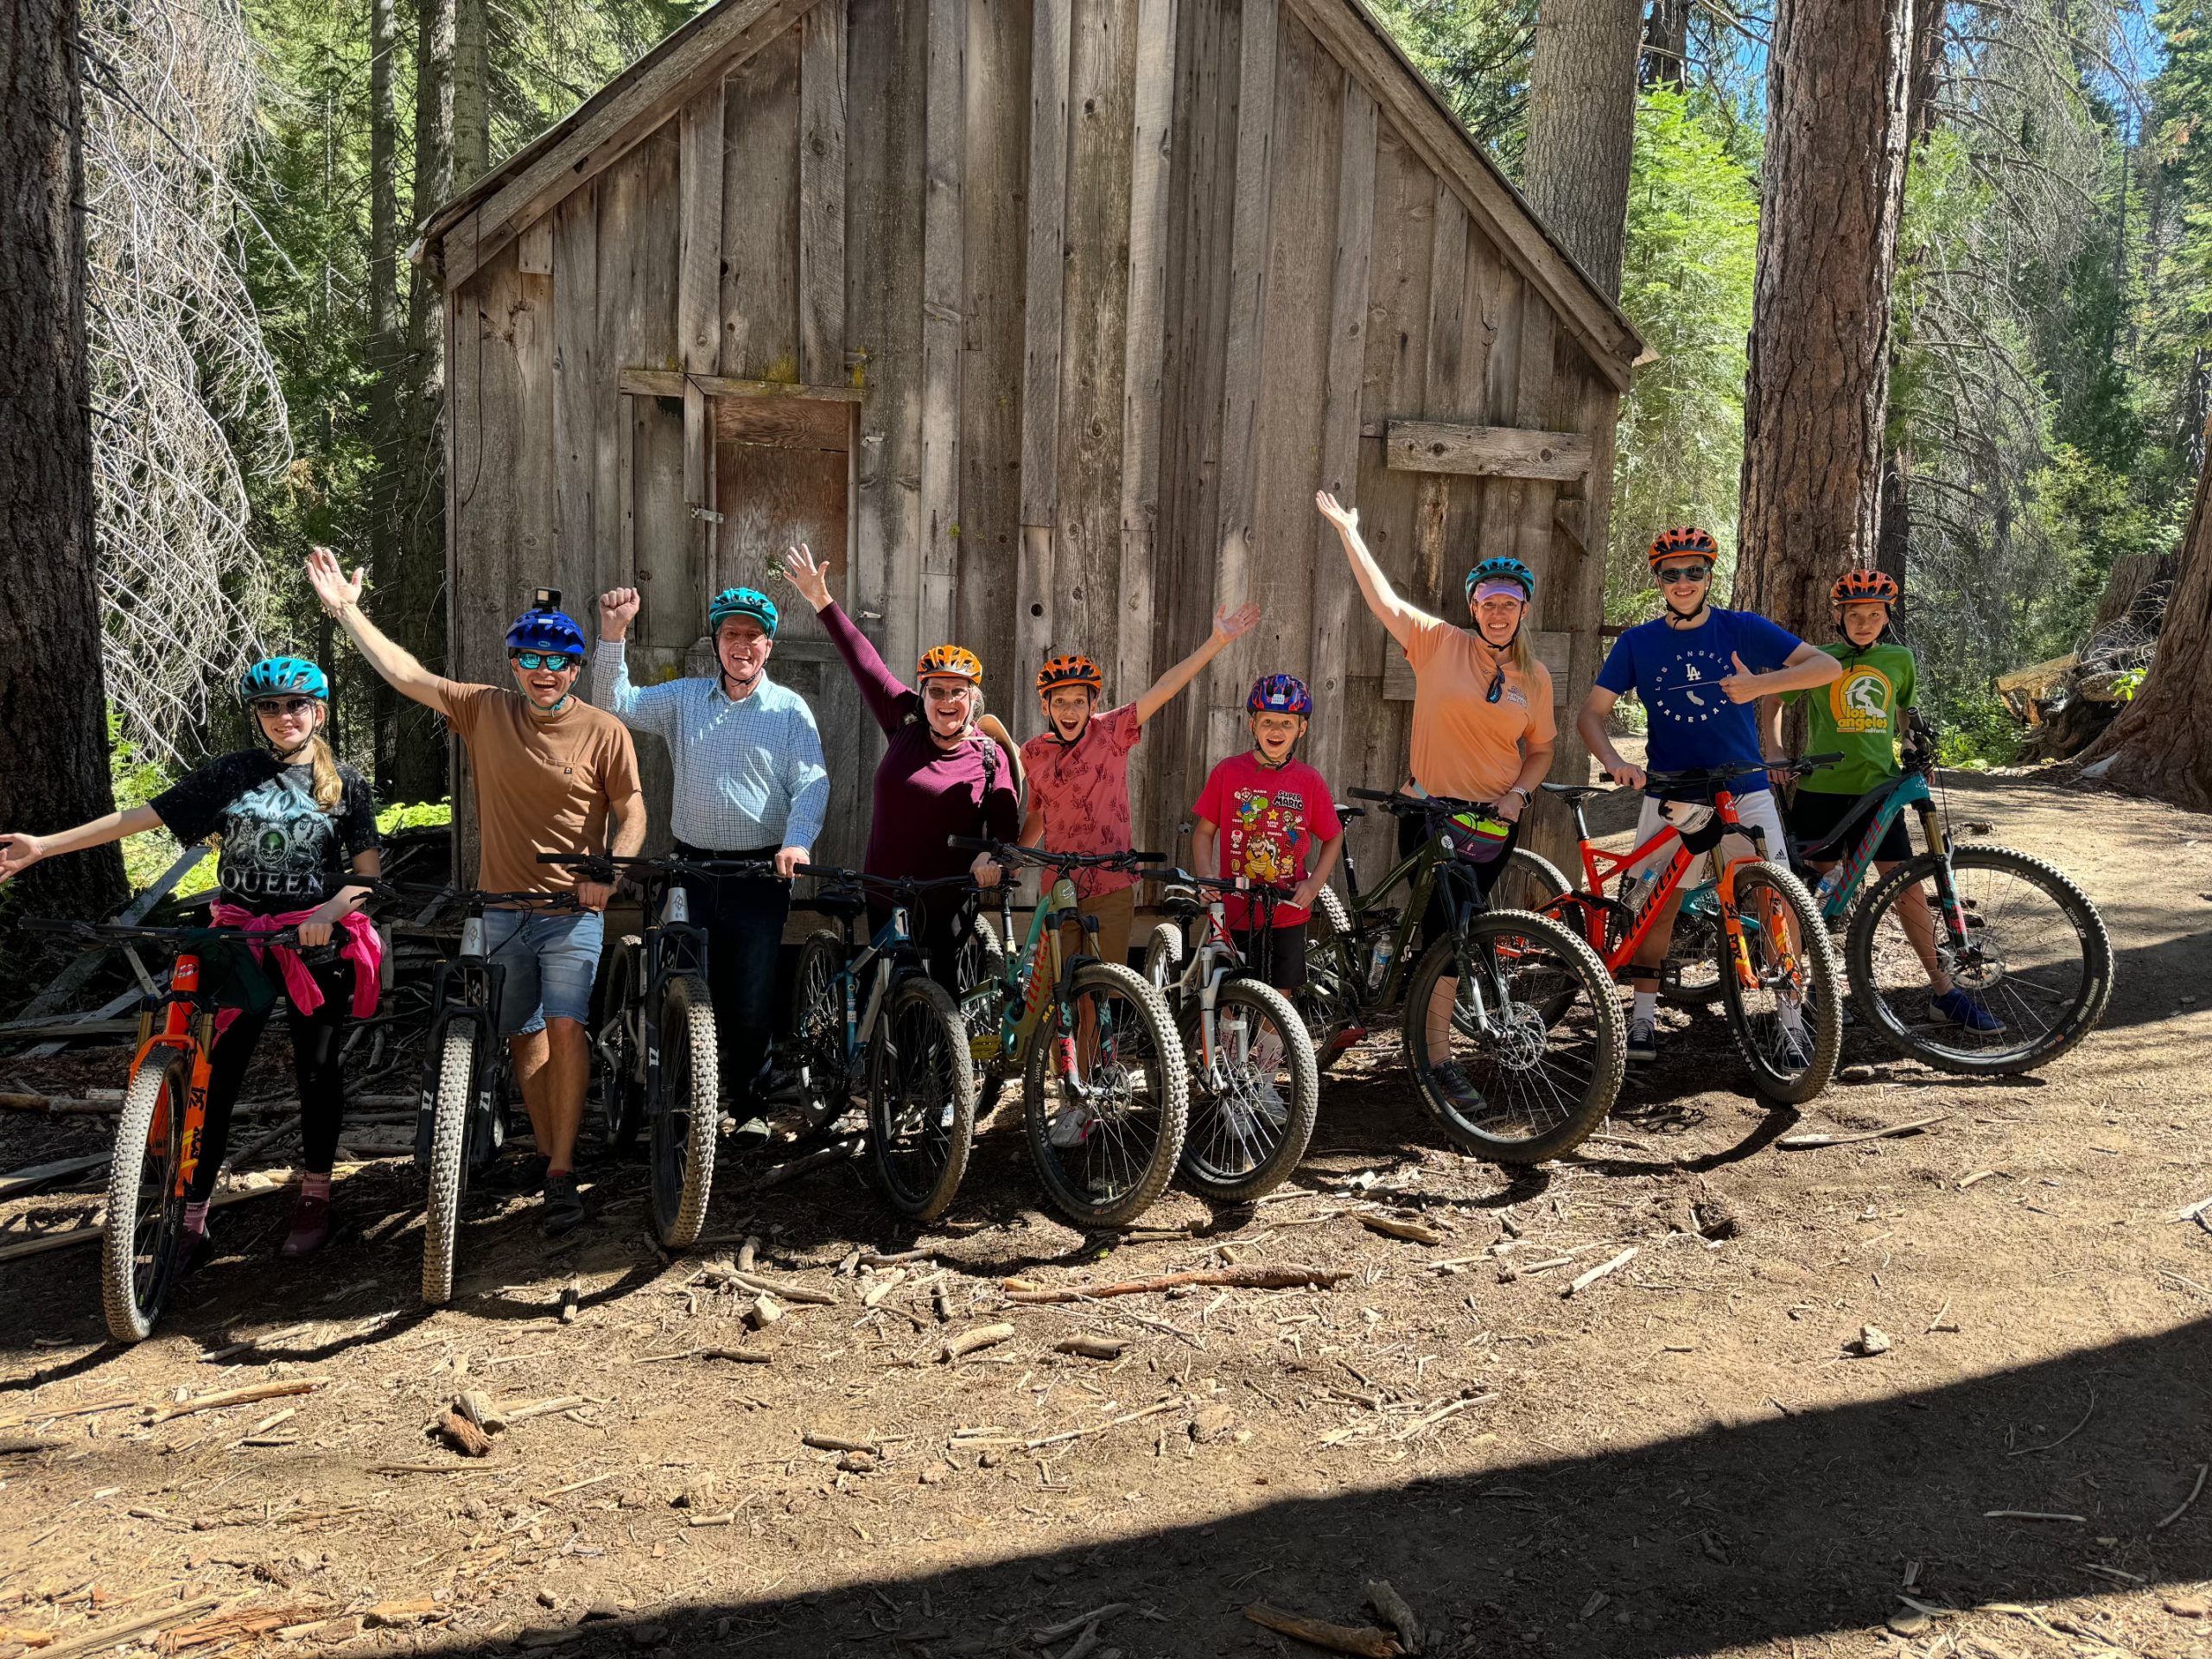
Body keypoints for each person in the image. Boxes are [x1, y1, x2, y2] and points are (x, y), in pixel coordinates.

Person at [305, 549, 645, 1237]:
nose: (544, 672)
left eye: (559, 663)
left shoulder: (604, 730)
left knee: (566, 1026)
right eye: (531, 659)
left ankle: (562, 1172)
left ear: (576, 670)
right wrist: (346, 612)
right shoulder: (485, 710)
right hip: (501, 910)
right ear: (513, 663)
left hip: (570, 912)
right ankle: (548, 1151)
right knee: (522, 1037)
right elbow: (407, 674)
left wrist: (611, 870)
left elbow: (632, 809)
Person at [0, 657, 383, 1267]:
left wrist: (330, 913)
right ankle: (193, 1214)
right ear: (256, 716)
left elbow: (367, 879)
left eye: (296, 706)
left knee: (317, 1070)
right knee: (214, 1076)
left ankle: (314, 1195)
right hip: (236, 943)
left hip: (316, 946)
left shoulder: (346, 783)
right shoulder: (231, 774)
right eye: (270, 707)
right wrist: (45, 845)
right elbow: (140, 818)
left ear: (319, 711)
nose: (284, 717)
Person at [1315, 489, 1558, 1095]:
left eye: (1509, 603)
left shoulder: (1535, 677)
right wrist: (1349, 532)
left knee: (1457, 926)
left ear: (1523, 611)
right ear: (1473, 608)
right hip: (1430, 812)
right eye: (1488, 602)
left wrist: (1521, 794)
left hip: (1495, 824)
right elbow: (1383, 600)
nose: (1498, 612)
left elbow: (1543, 750)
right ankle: (1437, 1062)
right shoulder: (1438, 642)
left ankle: (1426, 1030)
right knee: (1446, 933)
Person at [1574, 527, 1843, 1065]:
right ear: (1659, 580)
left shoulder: (1740, 628)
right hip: (1672, 791)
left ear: (1709, 575)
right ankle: (1643, 1020)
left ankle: (1791, 1025)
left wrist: (1758, 687)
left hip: (1745, 787)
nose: (1683, 581)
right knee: (1657, 907)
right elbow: (1591, 715)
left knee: (1778, 901)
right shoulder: (1638, 643)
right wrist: (1615, 762)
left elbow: (1828, 667)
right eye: (1671, 573)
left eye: (1694, 571)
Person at [592, 584, 830, 1124]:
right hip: (691, 867)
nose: (741, 644)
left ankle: (750, 1108)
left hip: (760, 871)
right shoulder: (683, 699)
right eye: (731, 634)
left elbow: (812, 784)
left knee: (750, 995)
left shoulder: (791, 712)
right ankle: (679, 1106)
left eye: (752, 636)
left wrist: (797, 840)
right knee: (680, 985)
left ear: (768, 646)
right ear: (717, 643)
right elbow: (616, 705)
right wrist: (613, 635)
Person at [1764, 569, 2001, 1033]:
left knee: (1908, 890)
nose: (1865, 622)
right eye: (1855, 614)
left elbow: (1903, 712)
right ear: (1840, 617)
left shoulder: (1899, 659)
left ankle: (1944, 993)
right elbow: (1771, 698)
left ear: (1887, 617)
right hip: (1821, 791)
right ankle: (1813, 992)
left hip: (1881, 790)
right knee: (1816, 895)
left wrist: (1914, 746)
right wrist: (1773, 751)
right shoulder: (1821, 660)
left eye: (1874, 614)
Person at [777, 543, 1018, 991]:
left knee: (941, 1001)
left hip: (948, 901)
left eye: (958, 692)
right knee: (886, 996)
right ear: (922, 696)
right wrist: (820, 599)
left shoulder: (989, 756)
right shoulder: (904, 720)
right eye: (937, 691)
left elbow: (1006, 829)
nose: (947, 701)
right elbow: (863, 660)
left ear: (973, 699)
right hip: (886, 892)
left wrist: (992, 855)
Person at [1018, 599, 1259, 972]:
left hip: (1111, 884)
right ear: (1045, 706)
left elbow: (1163, 689)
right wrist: (1018, 859)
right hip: (1059, 885)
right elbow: (1039, 811)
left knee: (1102, 990)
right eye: (1060, 702)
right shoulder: (1033, 752)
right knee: (1057, 994)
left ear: (1093, 703)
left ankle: (1096, 1035)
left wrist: (1217, 642)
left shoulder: (1111, 731)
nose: (1069, 711)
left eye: (1079, 702)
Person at [1191, 675, 1344, 997]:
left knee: (1279, 998)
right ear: (1253, 725)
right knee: (1231, 993)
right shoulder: (1228, 772)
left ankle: (1274, 1049)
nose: (1276, 730)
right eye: (1268, 721)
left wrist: (1315, 884)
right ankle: (1234, 1049)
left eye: (1287, 723)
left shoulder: (1308, 781)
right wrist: (1206, 876)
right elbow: (1204, 831)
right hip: (1233, 907)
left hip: (1287, 910)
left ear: (1301, 729)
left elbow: (1333, 837)